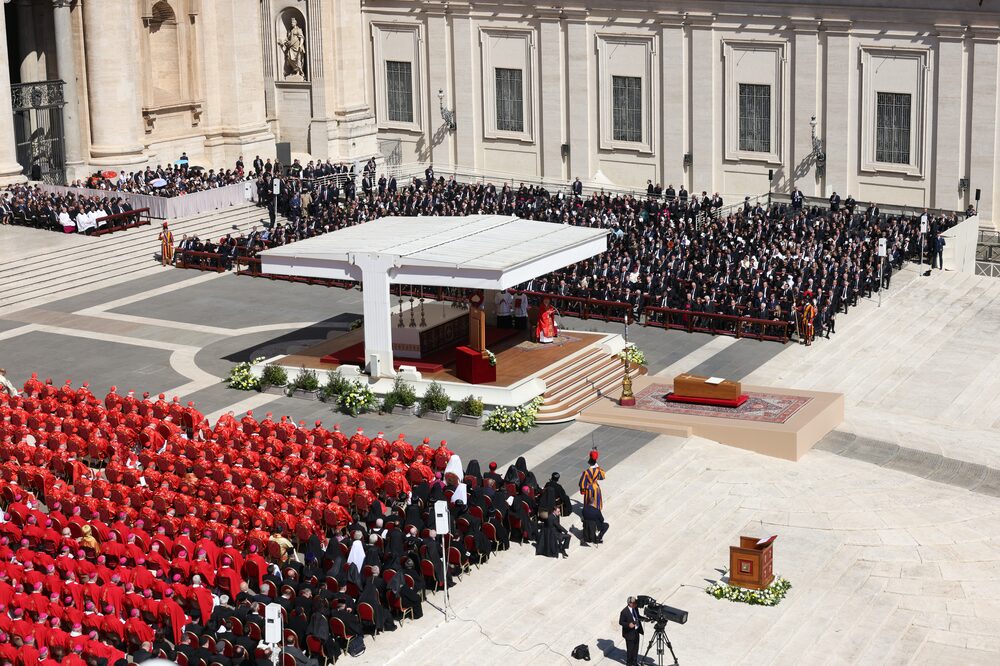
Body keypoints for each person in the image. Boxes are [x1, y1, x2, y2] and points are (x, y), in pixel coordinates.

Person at [619, 596, 644, 666]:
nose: (636, 604)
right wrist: (628, 624)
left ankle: (634, 662)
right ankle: (629, 663)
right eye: (634, 603)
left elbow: (638, 616)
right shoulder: (624, 612)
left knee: (636, 648)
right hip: (629, 633)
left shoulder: (635, 608)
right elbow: (621, 622)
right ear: (630, 603)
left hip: (636, 631)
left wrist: (644, 619)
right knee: (630, 649)